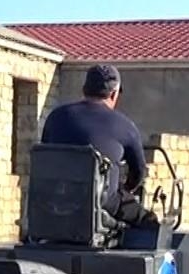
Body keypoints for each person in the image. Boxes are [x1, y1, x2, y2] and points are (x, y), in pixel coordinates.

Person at [40, 64, 152, 224]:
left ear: (84, 89)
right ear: (113, 94)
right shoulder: (125, 126)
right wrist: (125, 189)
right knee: (149, 221)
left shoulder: (55, 117)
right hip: (103, 204)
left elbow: (45, 158)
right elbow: (139, 173)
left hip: (54, 202)